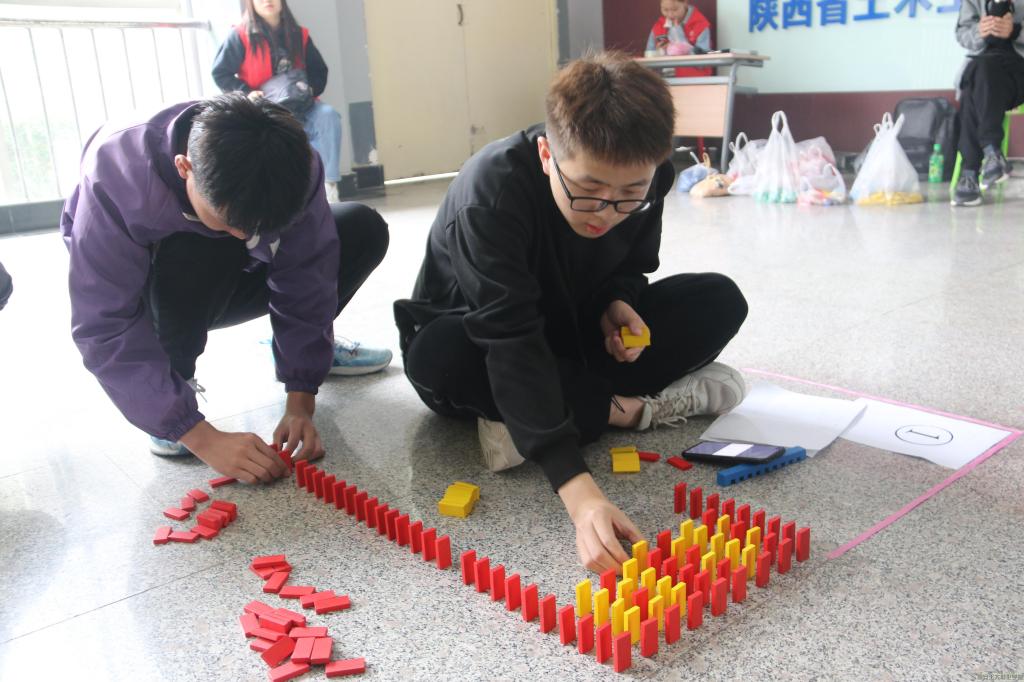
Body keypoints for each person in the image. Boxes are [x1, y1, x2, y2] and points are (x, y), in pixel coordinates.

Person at [394, 53, 748, 573]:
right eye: (588, 191)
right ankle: (625, 411)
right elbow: (508, 337)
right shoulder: (490, 194)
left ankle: (537, 418)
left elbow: (631, 265)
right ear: (546, 155)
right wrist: (580, 494)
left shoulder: (648, 179)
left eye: (630, 195)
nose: (606, 212)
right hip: (485, 344)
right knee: (438, 355)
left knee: (718, 300)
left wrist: (617, 303)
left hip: (571, 335)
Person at [61, 94, 390, 481]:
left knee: (359, 228)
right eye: (231, 221)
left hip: (231, 277)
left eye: (260, 227)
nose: (247, 237)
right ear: (184, 167)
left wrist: (301, 398)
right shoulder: (116, 174)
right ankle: (170, 386)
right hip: (153, 290)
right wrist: (199, 436)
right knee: (198, 243)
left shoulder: (294, 162)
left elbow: (308, 272)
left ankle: (307, 354)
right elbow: (104, 324)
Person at [212, 0, 344, 202]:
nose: (267, 1)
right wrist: (247, 93)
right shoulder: (239, 36)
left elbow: (319, 70)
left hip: (303, 105)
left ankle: (328, 187)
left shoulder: (299, 35)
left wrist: (310, 89)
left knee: (328, 116)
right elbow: (220, 73)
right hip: (265, 108)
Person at [951, 0, 1024, 206]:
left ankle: (970, 172)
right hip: (984, 71)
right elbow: (962, 33)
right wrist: (979, 31)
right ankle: (991, 153)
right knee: (976, 77)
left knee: (975, 79)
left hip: (1019, 71)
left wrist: (1015, 31)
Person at [645, 0, 713, 78]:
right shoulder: (659, 26)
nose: (670, 15)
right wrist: (659, 53)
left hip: (693, 79)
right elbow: (649, 61)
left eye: (675, 9)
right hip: (664, 80)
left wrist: (685, 48)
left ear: (685, 3)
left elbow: (703, 63)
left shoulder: (700, 25)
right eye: (665, 10)